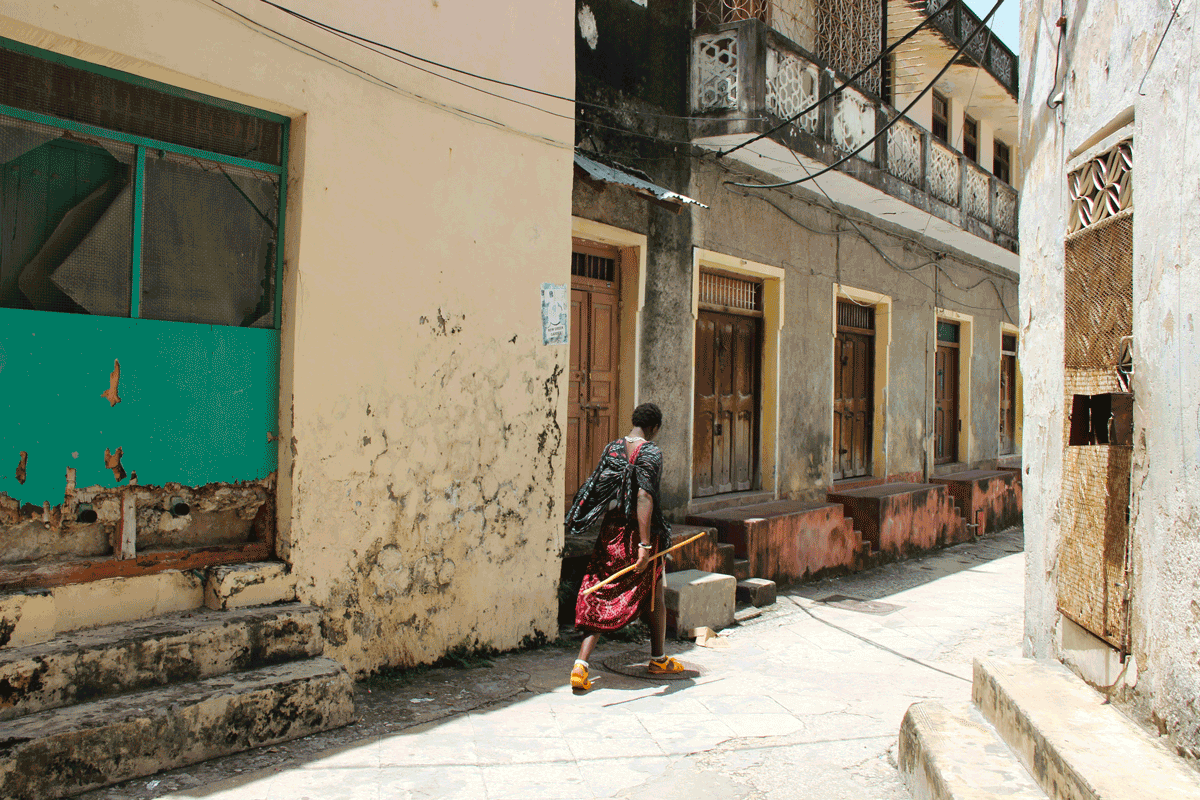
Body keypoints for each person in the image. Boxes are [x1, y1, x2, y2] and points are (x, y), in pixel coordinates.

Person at [565, 402, 683, 691]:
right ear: (654, 428)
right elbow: (644, 496)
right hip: (640, 535)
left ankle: (582, 665)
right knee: (656, 591)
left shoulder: (613, 448)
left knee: (603, 590)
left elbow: (599, 487)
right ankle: (658, 659)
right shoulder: (652, 452)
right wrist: (644, 544)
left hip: (611, 532)